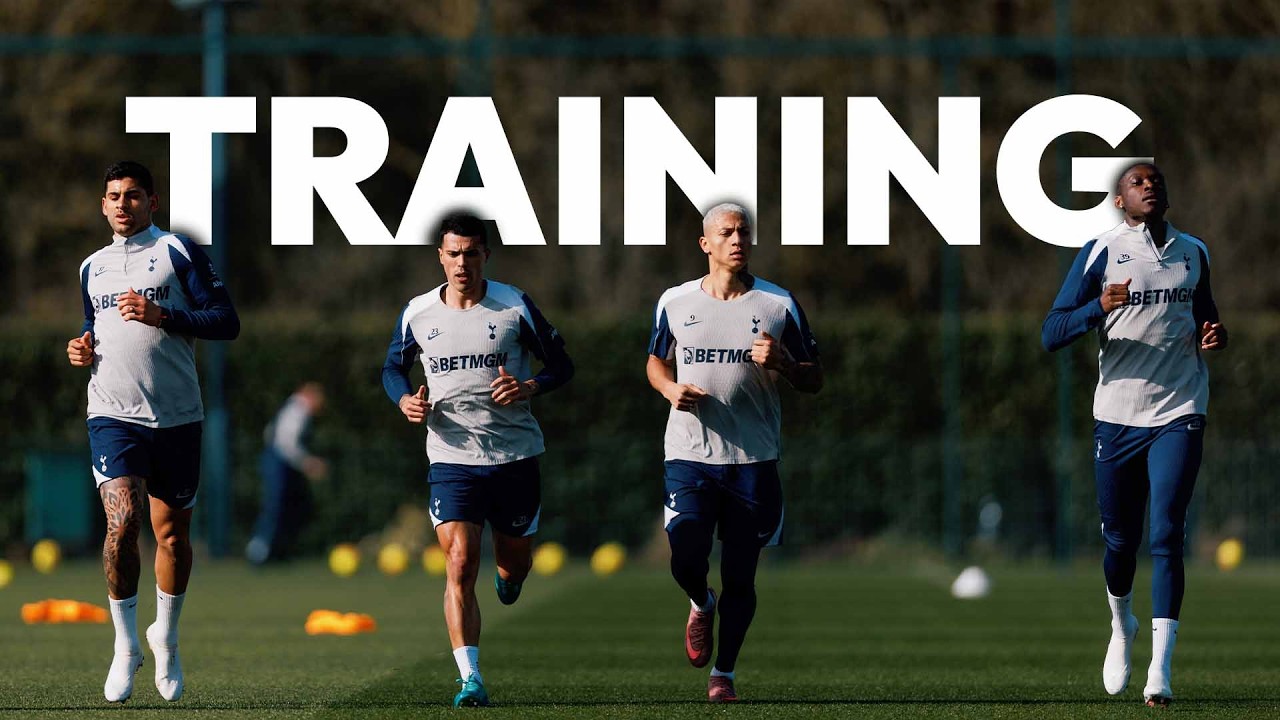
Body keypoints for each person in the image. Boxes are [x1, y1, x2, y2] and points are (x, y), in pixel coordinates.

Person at [1042, 162, 1227, 707]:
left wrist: (1214, 334)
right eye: (1136, 182)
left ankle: (1161, 673)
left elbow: (1207, 316)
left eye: (1155, 180)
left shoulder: (1195, 251)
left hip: (1181, 407)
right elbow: (1052, 331)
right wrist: (1098, 306)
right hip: (1118, 414)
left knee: (1166, 532)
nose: (1149, 185)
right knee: (1120, 542)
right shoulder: (1102, 250)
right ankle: (1122, 624)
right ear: (1120, 201)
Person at [381, 212, 573, 707]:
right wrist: (404, 399)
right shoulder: (418, 313)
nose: (462, 263)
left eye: (471, 253)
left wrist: (528, 385)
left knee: (513, 565)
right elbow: (391, 369)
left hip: (515, 456)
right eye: (453, 253)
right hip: (452, 457)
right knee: (460, 562)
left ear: (485, 254)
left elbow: (562, 365)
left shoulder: (513, 306)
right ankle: (471, 677)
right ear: (440, 257)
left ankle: (510, 577)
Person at [66, 160, 240, 703]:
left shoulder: (176, 252)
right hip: (112, 414)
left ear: (152, 202)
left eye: (134, 195)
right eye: (114, 195)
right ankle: (124, 644)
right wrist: (82, 346)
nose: (123, 203)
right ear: (102, 204)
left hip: (177, 416)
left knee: (172, 537)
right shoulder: (91, 267)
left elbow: (226, 321)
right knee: (122, 525)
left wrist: (164, 317)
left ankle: (165, 634)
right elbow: (93, 328)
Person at [646, 202, 822, 703]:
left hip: (753, 462)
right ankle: (700, 601)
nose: (737, 239)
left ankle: (723, 673)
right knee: (685, 555)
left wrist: (787, 362)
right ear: (706, 244)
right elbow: (656, 362)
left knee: (742, 575)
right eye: (726, 232)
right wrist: (668, 390)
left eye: (744, 231)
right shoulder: (675, 302)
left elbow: (816, 378)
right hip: (689, 455)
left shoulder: (778, 304)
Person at [245, 382, 328, 564]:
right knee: (274, 507)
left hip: (281, 462)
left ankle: (275, 551)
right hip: (279, 462)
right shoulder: (298, 410)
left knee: (285, 507)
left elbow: (269, 432)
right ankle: (260, 553)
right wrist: (308, 463)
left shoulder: (292, 408)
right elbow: (286, 443)